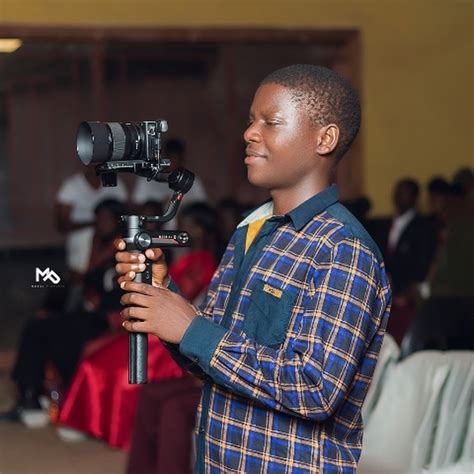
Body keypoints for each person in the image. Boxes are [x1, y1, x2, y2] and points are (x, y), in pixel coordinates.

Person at [116, 64, 391, 473]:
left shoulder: (342, 249)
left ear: (325, 139)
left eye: (271, 122)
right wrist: (165, 295)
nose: (249, 133)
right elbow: (210, 358)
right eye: (250, 120)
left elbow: (315, 390)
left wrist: (192, 329)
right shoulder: (251, 231)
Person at [0, 199, 126, 427]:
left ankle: (56, 403)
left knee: (51, 334)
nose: (100, 224)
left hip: (111, 319)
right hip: (88, 311)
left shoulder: (125, 249)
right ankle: (30, 398)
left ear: (118, 221)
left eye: (105, 219)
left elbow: (114, 291)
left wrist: (87, 278)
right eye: (98, 219)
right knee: (40, 325)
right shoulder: (98, 244)